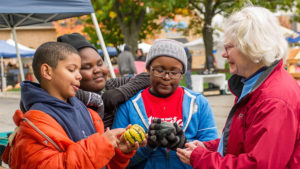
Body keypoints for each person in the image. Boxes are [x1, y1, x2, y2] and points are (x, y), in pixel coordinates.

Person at [177, 6, 300, 169]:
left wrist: (202, 158)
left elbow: (258, 165)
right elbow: (244, 140)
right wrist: (209, 147)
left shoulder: (273, 99)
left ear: (250, 46)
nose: (223, 54)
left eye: (228, 47)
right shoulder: (257, 85)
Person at [2, 42, 143, 168]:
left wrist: (119, 151)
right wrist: (101, 146)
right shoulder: (34, 123)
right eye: (71, 69)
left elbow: (101, 164)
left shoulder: (87, 112)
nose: (79, 76)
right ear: (47, 71)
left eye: (79, 69)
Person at [112, 39, 218, 169]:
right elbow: (116, 159)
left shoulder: (198, 103)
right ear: (148, 70)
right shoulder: (129, 106)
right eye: (159, 70)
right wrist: (147, 146)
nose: (166, 77)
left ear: (182, 75)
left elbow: (213, 152)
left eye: (174, 72)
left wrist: (184, 144)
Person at [56, 33, 151, 128]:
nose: (97, 70)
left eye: (100, 64)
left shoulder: (109, 86)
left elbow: (148, 77)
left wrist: (121, 92)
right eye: (87, 67)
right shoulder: (69, 101)